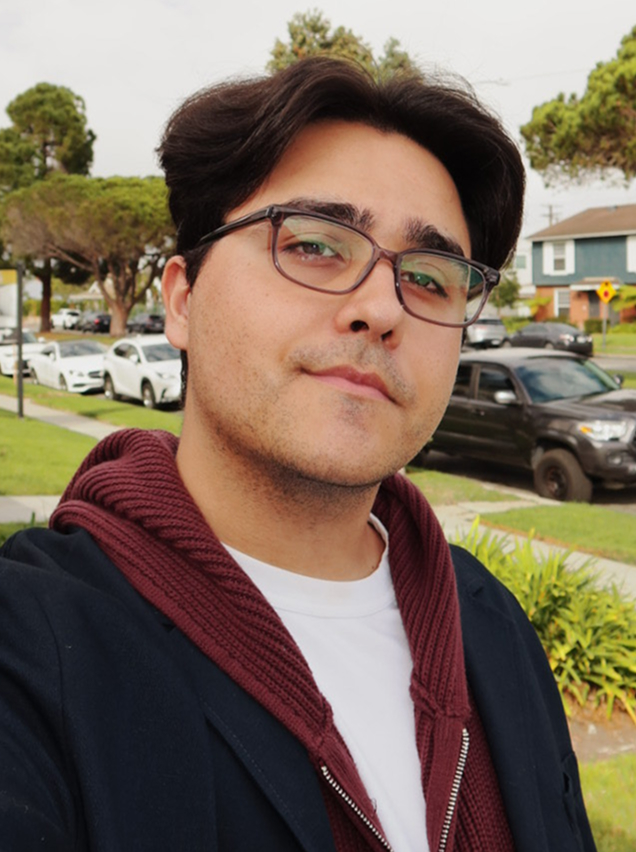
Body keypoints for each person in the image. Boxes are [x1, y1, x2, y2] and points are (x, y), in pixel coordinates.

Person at [0, 57, 595, 852]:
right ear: (181, 298)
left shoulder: (492, 627)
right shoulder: (32, 650)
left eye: (429, 276)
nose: (382, 307)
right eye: (314, 246)